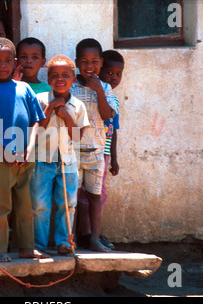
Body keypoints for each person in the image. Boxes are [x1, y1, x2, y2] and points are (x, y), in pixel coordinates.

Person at [0, 37, 47, 262]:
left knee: (25, 205)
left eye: (7, 60)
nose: (2, 65)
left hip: (25, 157)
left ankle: (26, 247)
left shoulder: (24, 88)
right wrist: (4, 152)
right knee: (0, 206)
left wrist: (30, 148)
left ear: (15, 62)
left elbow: (36, 122)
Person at [31, 55, 89, 256]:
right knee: (40, 205)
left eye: (65, 75)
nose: (60, 79)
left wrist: (66, 115)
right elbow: (37, 130)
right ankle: (38, 244)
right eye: (54, 75)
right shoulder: (40, 100)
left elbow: (77, 136)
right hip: (42, 161)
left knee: (68, 203)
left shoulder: (78, 106)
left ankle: (64, 241)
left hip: (68, 162)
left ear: (73, 78)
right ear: (48, 80)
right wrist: (51, 107)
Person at [70, 38, 118, 252]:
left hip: (97, 152)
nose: (90, 67)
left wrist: (98, 89)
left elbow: (108, 116)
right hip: (72, 151)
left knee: (94, 196)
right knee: (71, 197)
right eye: (85, 62)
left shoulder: (106, 87)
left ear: (101, 62)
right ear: (77, 63)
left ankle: (94, 239)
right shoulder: (70, 86)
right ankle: (69, 239)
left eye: (95, 62)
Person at [95, 49, 125, 249]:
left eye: (118, 74)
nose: (114, 77)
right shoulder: (95, 94)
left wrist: (113, 158)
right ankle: (86, 232)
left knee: (99, 193)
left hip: (104, 155)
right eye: (109, 73)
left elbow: (113, 131)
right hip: (89, 151)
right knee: (85, 193)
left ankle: (94, 232)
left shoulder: (113, 100)